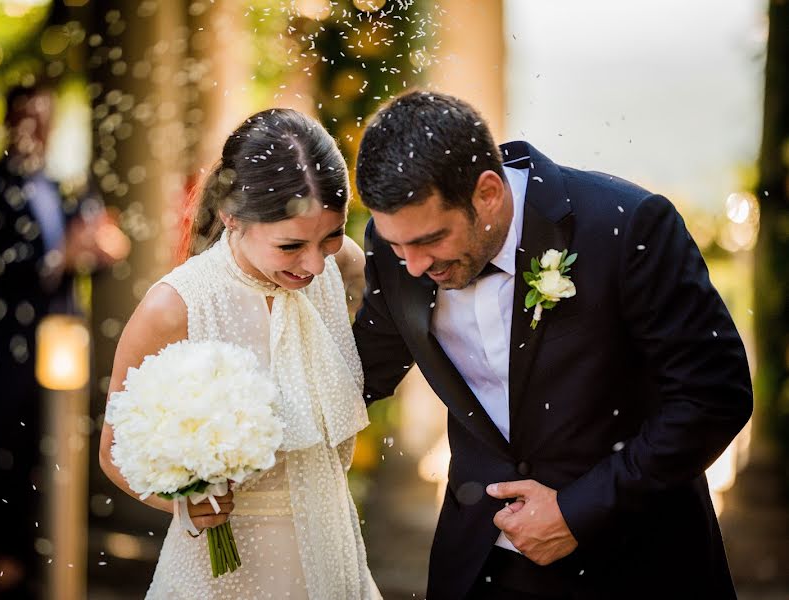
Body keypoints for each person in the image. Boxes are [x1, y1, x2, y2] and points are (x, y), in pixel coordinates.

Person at [352, 90, 752, 599]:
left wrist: (577, 511)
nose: (413, 265)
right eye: (395, 245)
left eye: (431, 240)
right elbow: (358, 374)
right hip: (481, 568)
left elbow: (713, 396)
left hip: (635, 560)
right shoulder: (400, 253)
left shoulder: (627, 224)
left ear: (488, 193)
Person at [99, 108, 381, 599]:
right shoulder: (177, 307)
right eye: (291, 245)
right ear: (232, 215)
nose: (314, 264)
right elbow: (113, 451)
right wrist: (183, 503)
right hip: (225, 578)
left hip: (332, 560)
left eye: (330, 236)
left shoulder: (343, 267)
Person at [0, 83, 128, 599]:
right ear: (8, 122)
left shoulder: (65, 188)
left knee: (46, 468)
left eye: (45, 120)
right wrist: (59, 260)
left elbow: (96, 248)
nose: (37, 130)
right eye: (27, 118)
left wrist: (102, 247)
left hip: (59, 360)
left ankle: (38, 572)